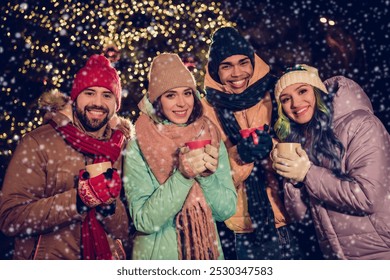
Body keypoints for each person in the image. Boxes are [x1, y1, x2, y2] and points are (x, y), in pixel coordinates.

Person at [0, 54, 132, 259]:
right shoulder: (38, 142)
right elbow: (10, 219)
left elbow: (123, 231)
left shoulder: (116, 147)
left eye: (107, 95)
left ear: (116, 104)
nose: (98, 102)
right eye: (89, 93)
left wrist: (109, 206)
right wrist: (79, 200)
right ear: (75, 98)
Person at [123, 53, 237, 260]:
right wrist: (183, 176)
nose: (182, 103)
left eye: (187, 93)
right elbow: (144, 221)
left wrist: (207, 177)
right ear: (157, 100)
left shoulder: (210, 134)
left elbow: (226, 210)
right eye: (170, 95)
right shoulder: (137, 144)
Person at [271, 64, 390, 259]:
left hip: (379, 252)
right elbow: (301, 217)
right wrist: (293, 179)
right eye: (286, 99)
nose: (295, 103)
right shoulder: (304, 140)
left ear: (317, 92)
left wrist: (307, 173)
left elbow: (367, 197)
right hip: (337, 256)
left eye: (302, 91)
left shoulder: (361, 125)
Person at [201, 26, 301, 260]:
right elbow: (209, 181)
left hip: (294, 215)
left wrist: (272, 147)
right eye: (226, 66)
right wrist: (238, 157)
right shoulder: (206, 111)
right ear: (216, 71)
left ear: (253, 61)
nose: (237, 73)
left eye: (243, 62)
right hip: (246, 228)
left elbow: (304, 142)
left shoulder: (277, 92)